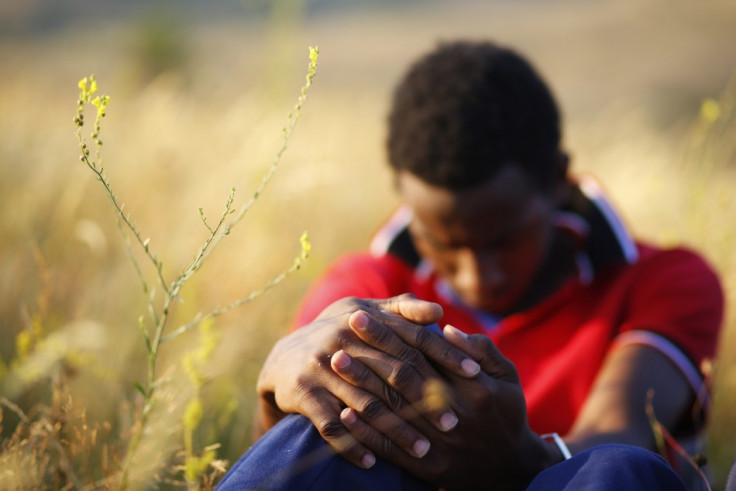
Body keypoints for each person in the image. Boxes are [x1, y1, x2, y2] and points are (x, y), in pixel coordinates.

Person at [218, 40, 724, 489]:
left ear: (557, 181)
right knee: (317, 434)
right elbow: (297, 458)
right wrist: (277, 394)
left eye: (505, 241)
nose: (478, 276)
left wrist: (517, 458)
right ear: (407, 203)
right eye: (442, 244)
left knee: (615, 468)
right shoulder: (367, 285)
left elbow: (619, 433)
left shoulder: (664, 281)